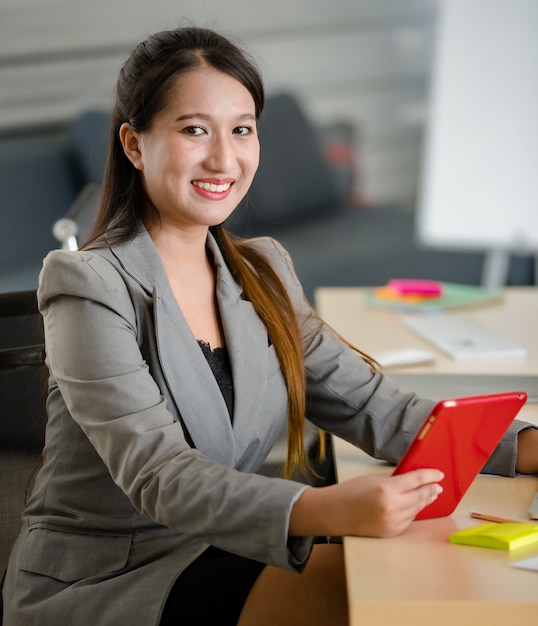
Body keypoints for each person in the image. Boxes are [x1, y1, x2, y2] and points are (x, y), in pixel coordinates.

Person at [3, 26, 537, 626]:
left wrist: (523, 446)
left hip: (226, 539)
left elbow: (370, 405)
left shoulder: (262, 269)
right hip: (110, 577)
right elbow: (158, 474)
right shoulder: (87, 285)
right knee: (385, 603)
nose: (223, 159)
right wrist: (325, 509)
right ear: (133, 143)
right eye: (193, 130)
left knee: (431, 581)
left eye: (242, 129)